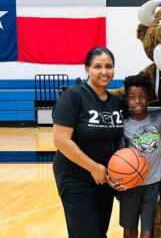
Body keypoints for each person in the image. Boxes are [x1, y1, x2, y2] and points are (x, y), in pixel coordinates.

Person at [52, 47, 125, 238]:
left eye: (109, 66)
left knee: (100, 232)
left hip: (103, 178)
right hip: (75, 177)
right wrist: (93, 167)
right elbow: (60, 140)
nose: (104, 72)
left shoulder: (116, 102)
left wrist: (119, 175)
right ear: (87, 69)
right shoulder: (74, 96)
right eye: (97, 66)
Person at [117, 75, 161, 238]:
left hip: (153, 182)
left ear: (149, 98)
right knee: (129, 227)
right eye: (132, 97)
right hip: (131, 183)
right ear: (127, 100)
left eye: (142, 96)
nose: (138, 101)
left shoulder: (159, 117)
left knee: (148, 228)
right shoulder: (124, 125)